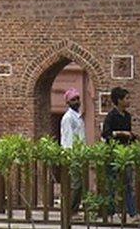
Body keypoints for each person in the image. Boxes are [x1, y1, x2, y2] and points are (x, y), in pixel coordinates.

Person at [101, 87, 138, 221]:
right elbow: (106, 134)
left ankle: (133, 213)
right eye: (126, 98)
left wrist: (132, 137)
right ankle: (110, 213)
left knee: (128, 183)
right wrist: (121, 133)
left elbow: (129, 133)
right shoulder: (111, 116)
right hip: (113, 153)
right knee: (111, 183)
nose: (128, 101)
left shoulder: (127, 116)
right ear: (119, 100)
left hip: (125, 153)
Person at [60, 88, 86, 216]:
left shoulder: (78, 116)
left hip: (80, 154)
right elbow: (68, 138)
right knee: (76, 184)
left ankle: (74, 209)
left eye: (77, 99)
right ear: (68, 102)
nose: (76, 102)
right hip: (73, 155)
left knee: (79, 183)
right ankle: (71, 211)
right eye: (73, 100)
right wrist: (70, 156)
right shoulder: (68, 118)